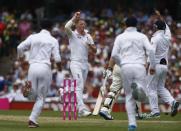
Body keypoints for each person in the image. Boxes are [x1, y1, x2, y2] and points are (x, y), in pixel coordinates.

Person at [105, 16, 155, 131]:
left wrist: (122, 63)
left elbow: (114, 54)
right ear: (136, 25)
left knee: (128, 97)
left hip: (126, 66)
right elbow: (151, 50)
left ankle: (132, 124)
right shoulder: (142, 36)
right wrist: (152, 66)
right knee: (140, 95)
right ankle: (139, 91)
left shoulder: (120, 37)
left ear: (125, 25)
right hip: (139, 66)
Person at [17, 19, 61, 128]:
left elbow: (19, 48)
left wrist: (21, 58)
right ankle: (32, 120)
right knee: (41, 97)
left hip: (32, 67)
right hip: (45, 67)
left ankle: (28, 92)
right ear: (51, 28)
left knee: (33, 96)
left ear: (41, 26)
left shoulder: (33, 37)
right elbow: (58, 59)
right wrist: (59, 68)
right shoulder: (53, 40)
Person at [141, 10, 179, 119]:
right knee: (160, 88)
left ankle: (155, 112)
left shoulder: (155, 38)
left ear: (157, 27)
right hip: (164, 66)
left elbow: (151, 52)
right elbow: (165, 26)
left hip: (156, 65)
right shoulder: (167, 35)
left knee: (150, 88)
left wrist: (151, 66)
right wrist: (160, 16)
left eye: (155, 26)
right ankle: (173, 102)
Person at [64, 12, 96, 117]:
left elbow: (95, 50)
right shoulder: (72, 34)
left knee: (80, 87)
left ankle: (64, 92)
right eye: (81, 24)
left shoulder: (88, 36)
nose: (83, 26)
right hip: (75, 63)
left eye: (84, 24)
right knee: (79, 84)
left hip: (85, 64)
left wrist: (91, 47)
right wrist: (74, 18)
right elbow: (66, 26)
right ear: (76, 25)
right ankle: (81, 109)